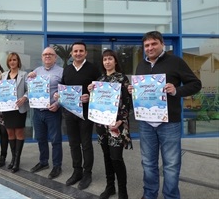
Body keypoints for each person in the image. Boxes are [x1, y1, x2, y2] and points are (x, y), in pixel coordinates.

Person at [128, 31, 202, 199]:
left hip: (169, 122)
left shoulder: (175, 62)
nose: (150, 48)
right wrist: (133, 91)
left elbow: (195, 84)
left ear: (162, 44)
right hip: (146, 122)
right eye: (146, 45)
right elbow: (143, 93)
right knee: (148, 163)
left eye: (154, 44)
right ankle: (150, 194)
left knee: (171, 164)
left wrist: (176, 90)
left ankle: (171, 196)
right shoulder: (141, 65)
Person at [55, 42, 101, 190]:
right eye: (75, 51)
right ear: (71, 54)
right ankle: (77, 171)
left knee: (86, 144)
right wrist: (58, 95)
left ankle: (87, 173)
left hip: (86, 113)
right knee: (73, 143)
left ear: (86, 53)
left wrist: (90, 96)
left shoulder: (93, 69)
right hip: (70, 112)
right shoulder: (67, 69)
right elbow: (62, 87)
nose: (78, 53)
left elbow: (102, 91)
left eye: (81, 51)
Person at [88, 49, 132, 199]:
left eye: (110, 59)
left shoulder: (122, 79)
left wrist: (121, 120)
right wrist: (91, 92)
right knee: (106, 156)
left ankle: (123, 191)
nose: (107, 62)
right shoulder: (99, 81)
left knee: (116, 158)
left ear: (115, 61)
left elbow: (127, 102)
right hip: (101, 125)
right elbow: (95, 103)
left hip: (116, 125)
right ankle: (110, 186)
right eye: (105, 59)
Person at [28, 47, 63, 179]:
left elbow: (65, 91)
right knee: (40, 138)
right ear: (42, 57)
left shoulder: (61, 72)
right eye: (45, 54)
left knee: (55, 140)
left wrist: (58, 104)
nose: (47, 56)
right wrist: (28, 78)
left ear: (55, 57)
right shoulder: (37, 71)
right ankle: (43, 162)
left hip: (52, 111)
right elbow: (30, 88)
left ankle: (57, 166)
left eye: (50, 54)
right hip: (37, 111)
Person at [1, 52, 29, 173]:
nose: (12, 62)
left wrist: (24, 97)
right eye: (10, 60)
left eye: (15, 60)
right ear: (8, 62)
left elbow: (30, 90)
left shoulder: (24, 75)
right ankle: (12, 159)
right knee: (10, 134)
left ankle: (17, 161)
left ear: (18, 62)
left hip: (19, 109)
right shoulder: (3, 75)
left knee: (19, 133)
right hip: (7, 109)